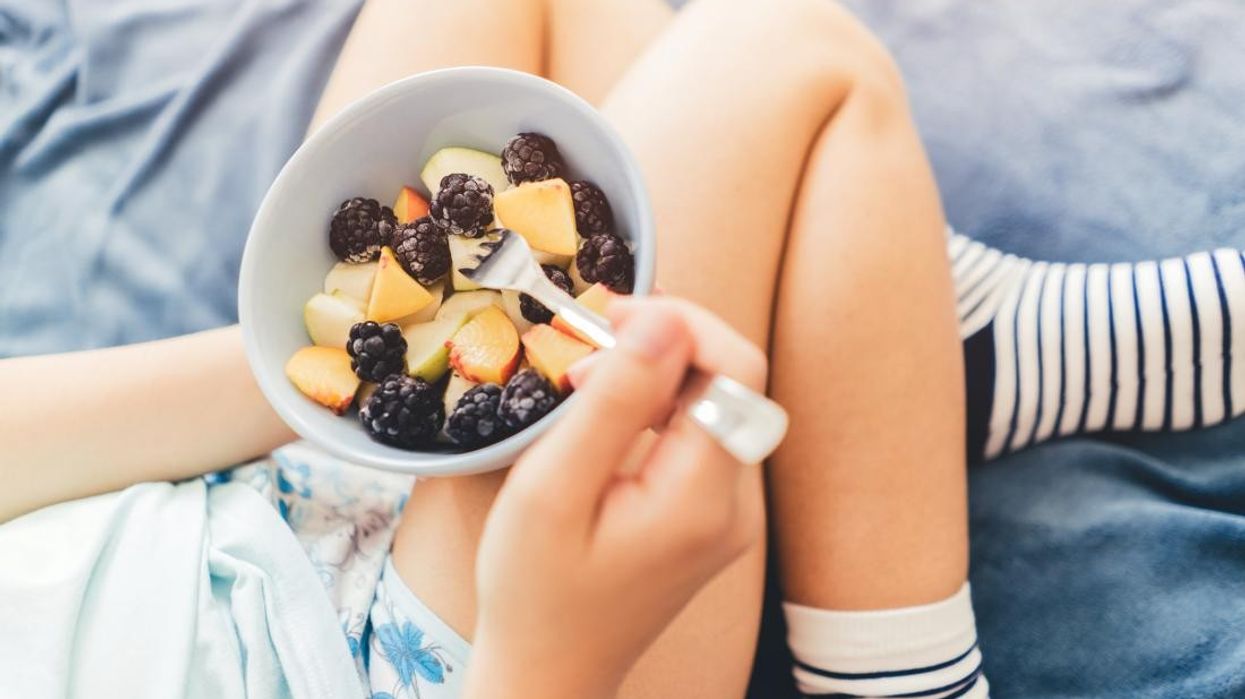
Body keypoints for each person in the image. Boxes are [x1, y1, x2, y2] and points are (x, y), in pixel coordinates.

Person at [2, 0, 1241, 696]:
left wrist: (323, 370)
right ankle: (907, 676)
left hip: (251, 502)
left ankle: (924, 345)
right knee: (795, 55)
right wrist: (554, 655)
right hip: (420, 666)